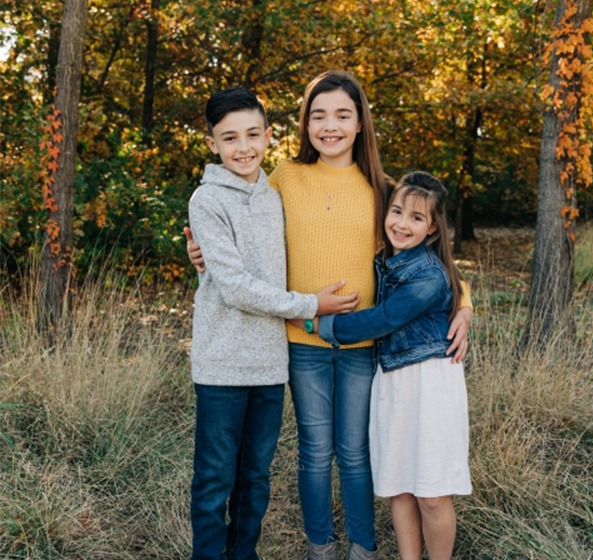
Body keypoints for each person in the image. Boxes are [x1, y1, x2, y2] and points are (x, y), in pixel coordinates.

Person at [185, 71, 472, 560]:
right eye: (318, 116)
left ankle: (362, 546)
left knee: (356, 455)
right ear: (303, 124)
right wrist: (197, 254)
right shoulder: (284, 178)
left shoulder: (383, 189)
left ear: (361, 123)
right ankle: (322, 546)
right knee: (315, 453)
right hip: (301, 342)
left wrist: (464, 303)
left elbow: (425, 257)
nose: (330, 126)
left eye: (342, 115)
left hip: (363, 346)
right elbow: (240, 221)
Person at [187, 86, 360, 560]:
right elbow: (236, 286)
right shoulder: (206, 200)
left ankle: (244, 554)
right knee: (215, 478)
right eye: (229, 138)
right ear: (212, 144)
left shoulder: (273, 193)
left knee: (255, 477)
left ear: (268, 135)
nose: (243, 148)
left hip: (269, 364)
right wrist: (311, 305)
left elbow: (313, 242)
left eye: (252, 135)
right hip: (222, 365)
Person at [306, 171, 472, 560]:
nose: (401, 223)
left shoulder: (429, 276)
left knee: (431, 493)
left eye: (416, 218)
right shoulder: (384, 261)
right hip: (392, 381)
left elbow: (378, 320)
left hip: (430, 383)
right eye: (396, 211)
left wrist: (315, 320)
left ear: (432, 229)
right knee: (399, 485)